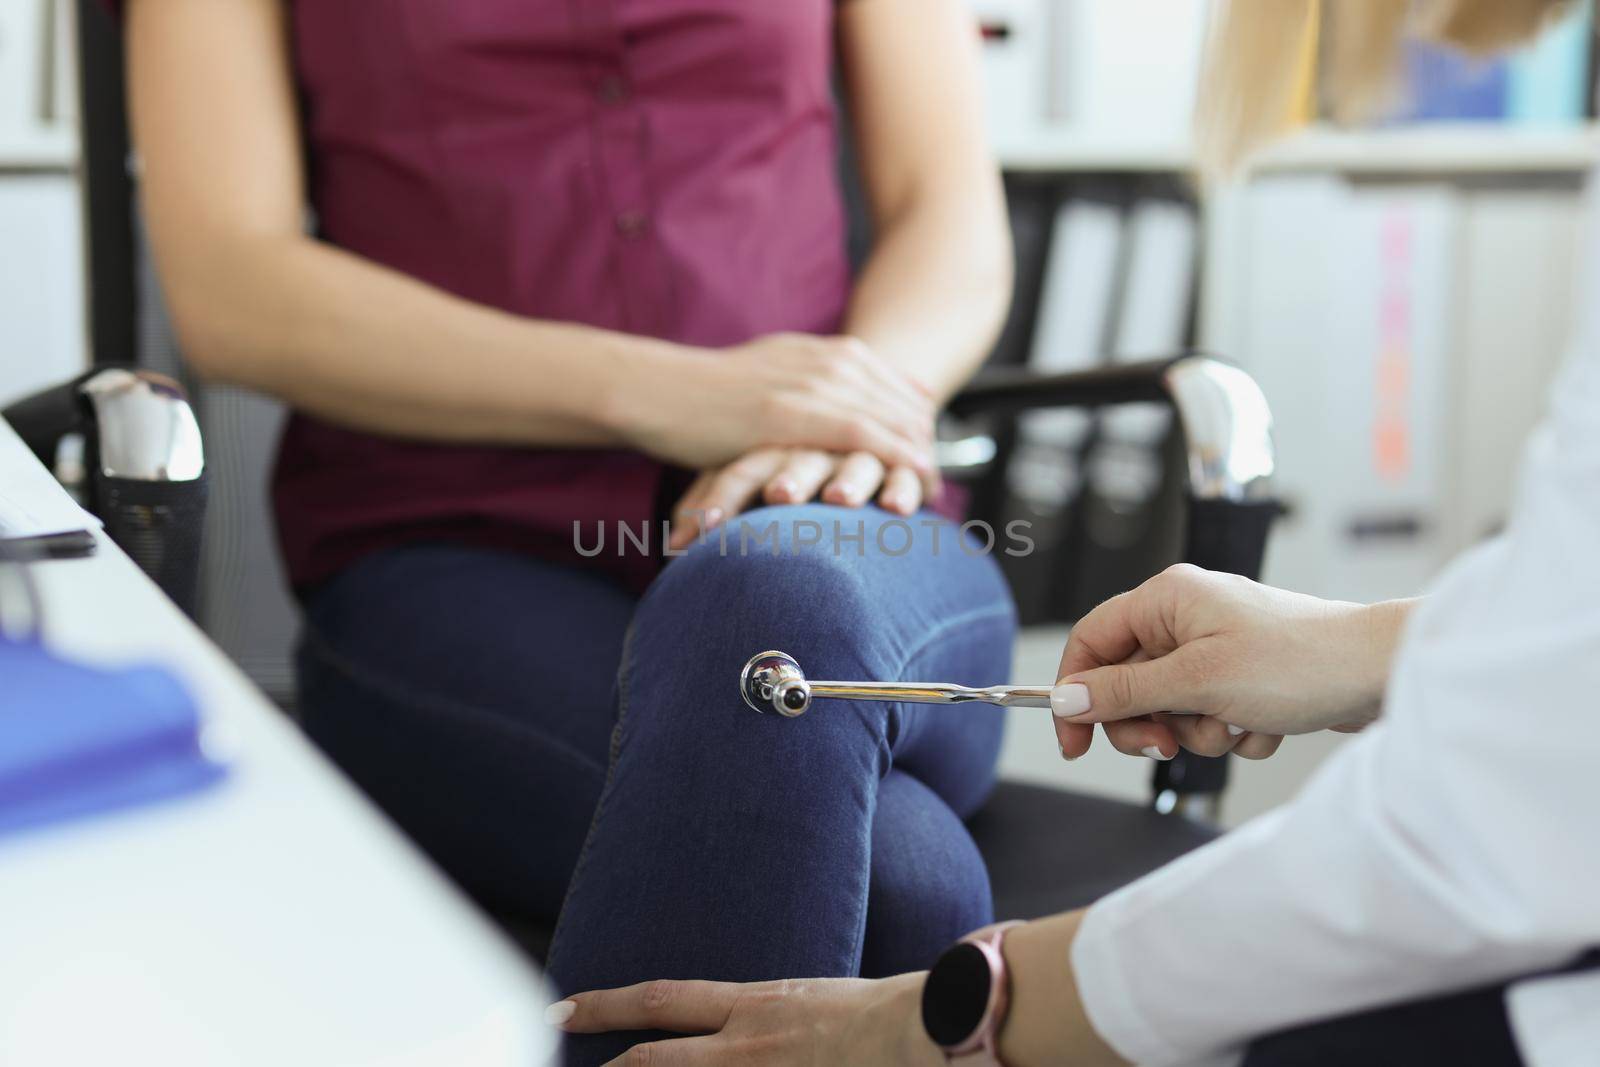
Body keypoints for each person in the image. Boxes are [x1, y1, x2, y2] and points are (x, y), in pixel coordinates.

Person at [547, 0, 1600, 1063]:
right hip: (455, 543)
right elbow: (1565, 667)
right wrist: (1363, 647)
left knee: (798, 656)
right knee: (910, 876)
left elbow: (1475, 833)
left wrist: (968, 1012)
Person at [120, 1, 1024, 1060]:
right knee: (898, 880)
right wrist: (670, 391)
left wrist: (841, 408)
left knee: (774, 602)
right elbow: (232, 289)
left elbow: (948, 212)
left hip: (837, 520)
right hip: (457, 554)